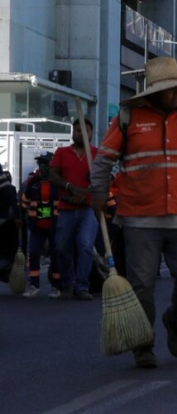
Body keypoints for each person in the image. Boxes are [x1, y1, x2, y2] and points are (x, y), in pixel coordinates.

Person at [90, 56, 177, 369]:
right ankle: (143, 344)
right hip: (138, 217)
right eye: (171, 90)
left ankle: (176, 322)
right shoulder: (128, 117)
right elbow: (104, 160)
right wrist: (98, 192)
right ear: (153, 92)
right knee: (142, 286)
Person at [49, 118, 99, 300]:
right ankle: (67, 283)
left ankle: (81, 286)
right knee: (62, 248)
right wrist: (70, 187)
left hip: (87, 210)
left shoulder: (96, 154)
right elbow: (53, 175)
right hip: (66, 209)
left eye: (86, 131)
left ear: (91, 133)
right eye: (79, 131)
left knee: (86, 246)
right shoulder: (62, 152)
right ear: (73, 133)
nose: (82, 134)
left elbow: (103, 180)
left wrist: (86, 192)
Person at [19, 153, 62, 297]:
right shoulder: (33, 182)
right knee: (34, 254)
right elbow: (24, 200)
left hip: (55, 226)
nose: (42, 167)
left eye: (46, 164)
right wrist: (23, 216)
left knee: (56, 255)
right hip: (37, 226)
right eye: (41, 164)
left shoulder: (58, 182)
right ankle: (34, 285)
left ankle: (56, 287)